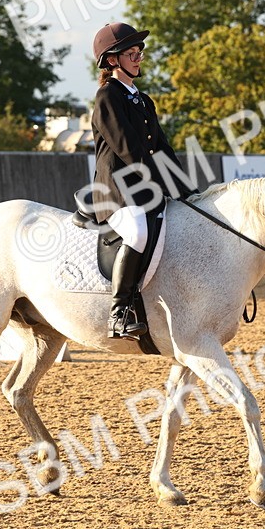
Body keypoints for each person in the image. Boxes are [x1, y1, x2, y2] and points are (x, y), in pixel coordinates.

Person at [89, 22, 190, 340]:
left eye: (139, 52)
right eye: (131, 53)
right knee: (138, 230)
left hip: (144, 189)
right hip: (116, 190)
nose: (138, 57)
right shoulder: (107, 97)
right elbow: (128, 149)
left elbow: (162, 149)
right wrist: (158, 182)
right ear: (112, 60)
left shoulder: (143, 101)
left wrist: (185, 190)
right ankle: (119, 312)